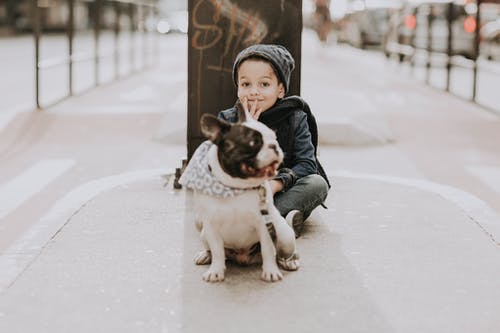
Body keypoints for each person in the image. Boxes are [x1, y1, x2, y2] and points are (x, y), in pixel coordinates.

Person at [219, 44, 331, 237]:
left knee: (317, 184)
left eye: (264, 84)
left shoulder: (295, 117)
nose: (254, 91)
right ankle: (280, 223)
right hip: (241, 193)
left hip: (282, 190)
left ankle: (262, 222)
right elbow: (221, 168)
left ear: (280, 90)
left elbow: (306, 164)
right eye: (246, 84)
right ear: (238, 88)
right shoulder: (228, 120)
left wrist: (275, 184)